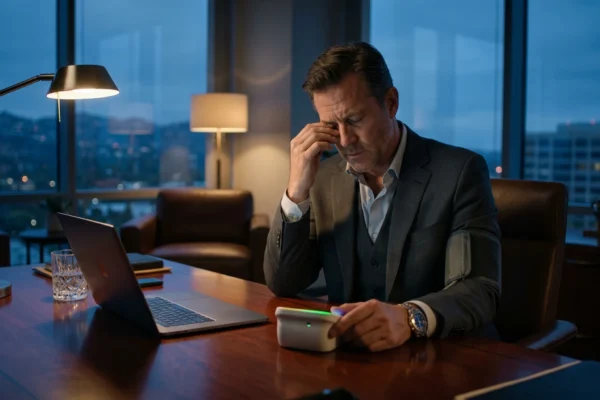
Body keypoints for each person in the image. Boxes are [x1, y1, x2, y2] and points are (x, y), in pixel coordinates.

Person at [264, 42, 501, 352]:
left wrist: (409, 317)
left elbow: (479, 288)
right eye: (332, 126)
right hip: (352, 359)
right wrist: (296, 191)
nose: (345, 141)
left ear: (390, 103)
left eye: (354, 120)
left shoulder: (460, 172)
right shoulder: (322, 178)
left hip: (441, 357)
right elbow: (284, 283)